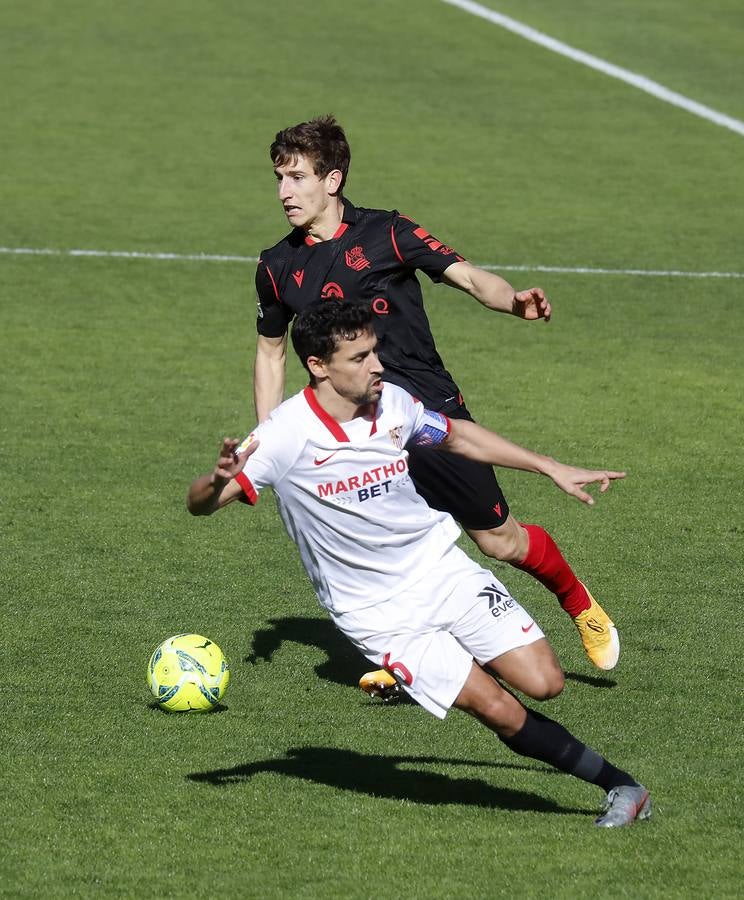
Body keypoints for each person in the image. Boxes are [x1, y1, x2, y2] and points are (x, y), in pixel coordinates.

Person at [191, 301, 650, 827]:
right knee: (498, 710)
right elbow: (201, 504)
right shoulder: (283, 435)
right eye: (359, 357)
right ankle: (623, 787)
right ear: (319, 366)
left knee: (546, 681)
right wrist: (217, 477)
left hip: (439, 569)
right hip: (377, 611)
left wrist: (550, 467)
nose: (376, 365)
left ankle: (431, 669)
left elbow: (456, 435)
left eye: (375, 351)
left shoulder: (394, 405)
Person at [253, 115, 619, 701]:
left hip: (426, 412)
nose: (283, 193)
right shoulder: (277, 265)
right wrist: (267, 436)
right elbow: (271, 352)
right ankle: (412, 655)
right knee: (383, 550)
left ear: (333, 179)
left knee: (500, 543)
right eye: (278, 179)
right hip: (352, 433)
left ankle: (578, 602)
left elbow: (470, 278)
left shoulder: (388, 233)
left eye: (296, 178)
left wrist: (513, 300)